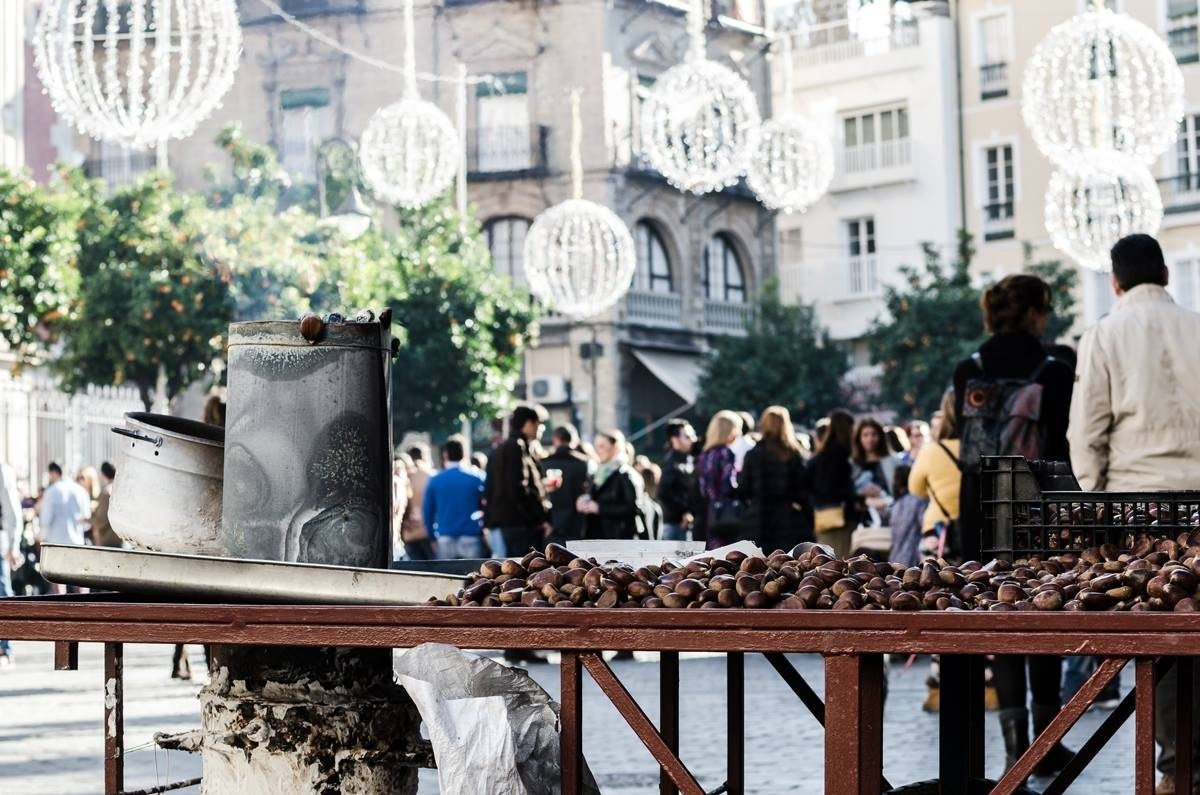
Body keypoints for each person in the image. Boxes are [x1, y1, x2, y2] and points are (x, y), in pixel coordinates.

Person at [1067, 233, 1200, 793]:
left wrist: (1098, 508)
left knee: (1164, 638)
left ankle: (1175, 770)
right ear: (1166, 275)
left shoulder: (1102, 335)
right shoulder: (1198, 327)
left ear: (1115, 282)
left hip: (1140, 510)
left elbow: (1086, 434)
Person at [953, 273, 1075, 777]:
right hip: (1037, 500)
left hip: (979, 504)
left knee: (996, 612)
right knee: (1042, 611)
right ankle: (1046, 745)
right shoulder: (1056, 368)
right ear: (1034, 312)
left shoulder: (968, 368)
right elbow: (1064, 443)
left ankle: (1013, 745)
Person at [483, 404, 552, 557]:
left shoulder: (505, 448)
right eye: (539, 424)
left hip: (509, 523)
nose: (541, 429)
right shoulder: (516, 448)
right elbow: (518, 488)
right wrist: (537, 518)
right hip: (518, 525)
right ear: (528, 424)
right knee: (521, 572)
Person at [738, 406, 809, 553]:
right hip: (786, 520)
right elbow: (802, 490)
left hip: (757, 519)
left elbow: (744, 489)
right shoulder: (793, 454)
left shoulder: (753, 454)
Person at [908, 389, 962, 561]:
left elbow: (915, 489)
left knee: (935, 581)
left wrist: (934, 491)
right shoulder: (989, 449)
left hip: (939, 529)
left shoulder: (931, 451)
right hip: (983, 527)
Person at [423, 436, 486, 559]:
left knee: (446, 576)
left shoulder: (435, 480)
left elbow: (428, 512)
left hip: (445, 536)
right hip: (471, 536)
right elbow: (486, 505)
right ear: (464, 454)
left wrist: (431, 537)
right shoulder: (477, 478)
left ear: (445, 455)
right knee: (474, 576)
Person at [808, 410, 858, 558]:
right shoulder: (841, 455)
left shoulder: (820, 456)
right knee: (839, 559)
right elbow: (834, 487)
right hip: (840, 518)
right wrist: (856, 498)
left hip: (822, 516)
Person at [576, 430, 642, 540]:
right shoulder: (597, 472)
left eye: (602, 446)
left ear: (615, 447)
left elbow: (633, 508)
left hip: (618, 539)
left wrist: (599, 508)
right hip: (596, 536)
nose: (597, 450)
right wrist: (584, 501)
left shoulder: (626, 474)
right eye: (596, 446)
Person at [696, 410, 743, 549]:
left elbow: (703, 488)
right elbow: (728, 485)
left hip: (710, 512)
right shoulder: (726, 453)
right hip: (727, 515)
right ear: (729, 431)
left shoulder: (705, 455)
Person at [541, 425, 591, 544]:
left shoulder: (544, 463)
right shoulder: (583, 463)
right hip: (575, 522)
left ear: (555, 439)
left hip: (550, 522)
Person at [38, 462, 91, 559]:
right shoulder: (81, 491)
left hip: (54, 544)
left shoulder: (51, 491)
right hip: (76, 543)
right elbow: (87, 522)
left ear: (53, 473)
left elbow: (45, 520)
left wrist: (40, 536)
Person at [658, 420, 698, 543]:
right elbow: (662, 492)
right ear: (675, 440)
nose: (693, 439)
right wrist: (684, 512)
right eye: (687, 436)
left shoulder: (685, 459)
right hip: (675, 525)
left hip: (681, 523)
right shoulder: (671, 462)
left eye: (692, 435)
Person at [0, 460, 23, 665]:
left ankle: (6, 648)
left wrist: (13, 544)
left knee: (2, 591)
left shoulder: (2, 470)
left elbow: (11, 510)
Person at [401, 447, 436, 561]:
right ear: (424, 456)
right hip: (428, 531)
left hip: (409, 532)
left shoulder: (406, 476)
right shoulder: (431, 475)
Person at [888, 464, 926, 569]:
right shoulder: (920, 501)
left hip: (895, 558)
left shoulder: (897, 504)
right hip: (912, 559)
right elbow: (925, 527)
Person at [90, 462, 122, 548]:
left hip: (106, 539)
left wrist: (88, 520)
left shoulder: (106, 492)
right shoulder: (120, 489)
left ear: (103, 474)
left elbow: (102, 519)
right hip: (118, 538)